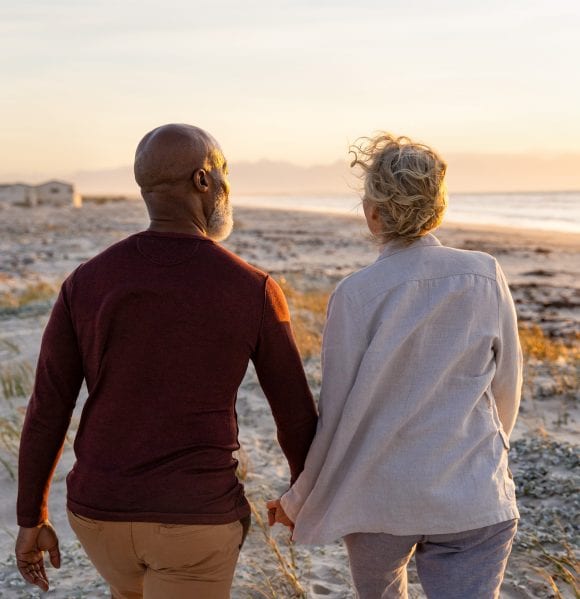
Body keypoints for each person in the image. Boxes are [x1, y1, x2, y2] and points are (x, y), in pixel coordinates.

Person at [15, 123, 318, 598]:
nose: (225, 184)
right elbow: (295, 417)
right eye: (223, 172)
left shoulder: (86, 281)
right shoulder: (251, 288)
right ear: (203, 181)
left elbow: (47, 408)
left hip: (98, 518)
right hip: (193, 523)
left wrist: (30, 518)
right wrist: (304, 497)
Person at [268, 133, 523, 599]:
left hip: (378, 498)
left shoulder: (355, 294)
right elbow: (507, 391)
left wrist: (297, 499)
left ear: (373, 213)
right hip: (472, 495)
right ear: (437, 208)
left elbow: (336, 416)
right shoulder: (484, 274)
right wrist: (486, 455)